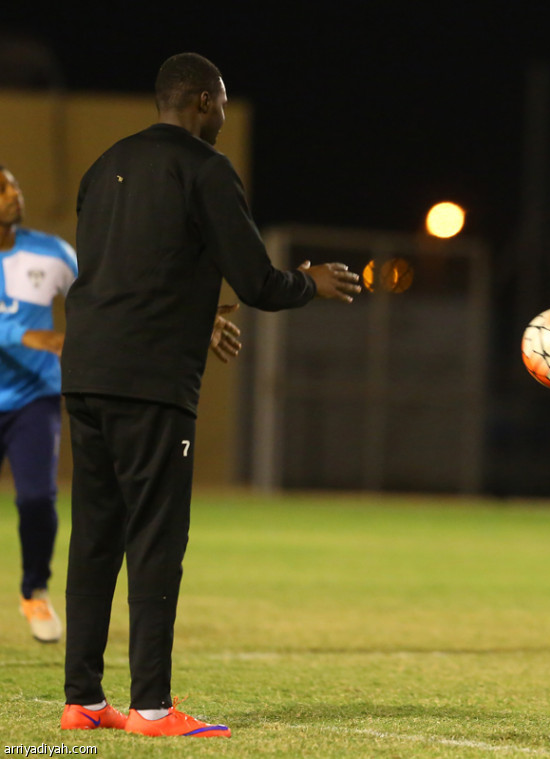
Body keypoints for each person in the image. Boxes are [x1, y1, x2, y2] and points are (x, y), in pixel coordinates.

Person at [58, 52, 361, 738]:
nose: (224, 113)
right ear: (199, 98)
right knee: (158, 538)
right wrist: (309, 279)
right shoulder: (205, 168)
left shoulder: (104, 164)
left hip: (88, 372)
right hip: (152, 387)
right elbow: (259, 281)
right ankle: (152, 709)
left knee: (97, 534)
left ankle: (82, 699)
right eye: (221, 100)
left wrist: (204, 317)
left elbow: (137, 270)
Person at [0, 165, 77, 644]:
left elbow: (101, 303)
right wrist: (26, 334)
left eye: (12, 183)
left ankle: (35, 590)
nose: (14, 192)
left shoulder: (53, 253)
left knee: (36, 498)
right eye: (1, 188)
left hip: (35, 398)